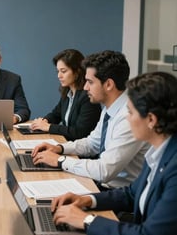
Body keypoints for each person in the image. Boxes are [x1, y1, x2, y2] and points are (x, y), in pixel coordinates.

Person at [51, 72, 177, 235]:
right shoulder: (158, 151)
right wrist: (87, 200)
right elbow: (130, 194)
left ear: (151, 120)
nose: (128, 119)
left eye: (131, 113)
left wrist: (86, 220)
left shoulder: (173, 167)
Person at [32, 50, 149, 189]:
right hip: (102, 185)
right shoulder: (109, 109)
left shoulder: (128, 118)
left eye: (90, 82)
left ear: (109, 84)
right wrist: (59, 148)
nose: (85, 87)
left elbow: (104, 171)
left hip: (118, 194)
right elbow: (92, 143)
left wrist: (60, 160)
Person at [30, 49, 101, 140]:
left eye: (63, 71)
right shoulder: (68, 92)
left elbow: (80, 132)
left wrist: (48, 127)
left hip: (80, 151)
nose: (59, 76)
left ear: (77, 71)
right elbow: (56, 114)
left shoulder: (88, 97)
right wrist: (43, 121)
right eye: (58, 71)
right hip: (68, 145)